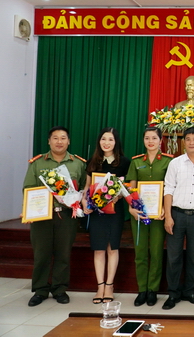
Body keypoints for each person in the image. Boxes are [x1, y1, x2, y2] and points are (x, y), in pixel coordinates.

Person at [22, 126, 87, 307]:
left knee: (63, 254)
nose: (59, 141)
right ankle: (40, 290)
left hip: (66, 216)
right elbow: (28, 188)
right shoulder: (37, 163)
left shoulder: (78, 164)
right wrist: (27, 210)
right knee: (41, 254)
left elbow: (84, 188)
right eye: (55, 138)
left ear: (69, 141)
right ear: (49, 141)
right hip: (41, 215)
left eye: (63, 138)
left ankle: (59, 289)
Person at [161, 127, 194, 310]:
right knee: (173, 257)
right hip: (176, 214)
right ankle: (173, 293)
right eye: (188, 139)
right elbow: (168, 189)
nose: (191, 142)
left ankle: (190, 291)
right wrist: (168, 216)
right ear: (183, 142)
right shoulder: (175, 163)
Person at [81, 128, 131, 304]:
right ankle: (100, 287)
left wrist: (117, 196)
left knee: (112, 248)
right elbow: (87, 187)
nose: (106, 143)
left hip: (115, 211)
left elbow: (128, 188)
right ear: (99, 141)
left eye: (110, 139)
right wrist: (84, 202)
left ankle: (109, 285)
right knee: (99, 248)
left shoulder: (124, 162)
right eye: (103, 139)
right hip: (97, 213)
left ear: (116, 142)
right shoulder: (93, 162)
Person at [125, 127, 173, 307]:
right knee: (140, 252)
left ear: (161, 140)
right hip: (139, 213)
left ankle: (153, 289)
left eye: (154, 138)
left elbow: (170, 187)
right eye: (147, 138)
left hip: (159, 214)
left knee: (156, 252)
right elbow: (131, 187)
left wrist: (165, 208)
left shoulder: (168, 161)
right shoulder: (136, 161)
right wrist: (131, 207)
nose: (150, 141)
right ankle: (142, 290)